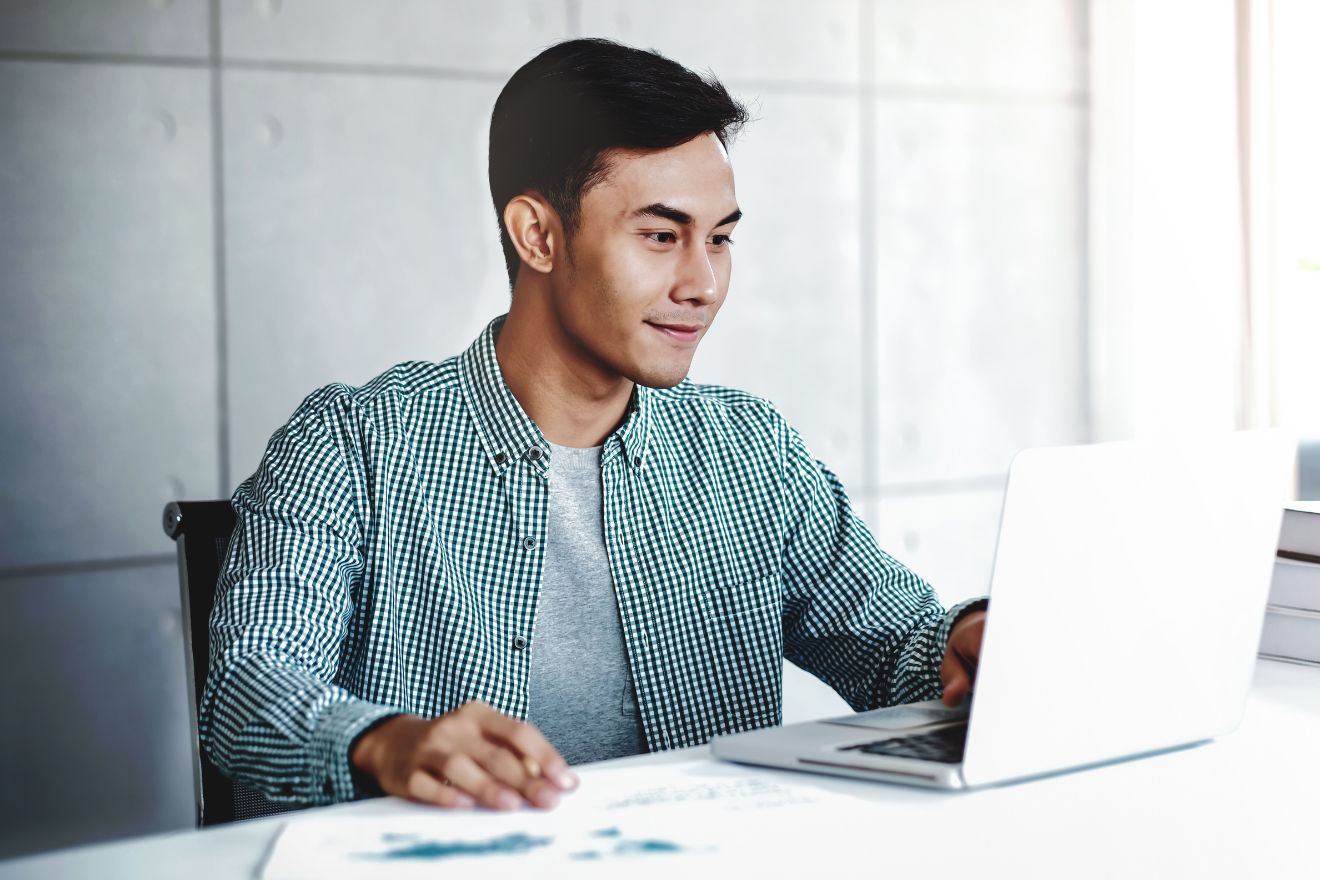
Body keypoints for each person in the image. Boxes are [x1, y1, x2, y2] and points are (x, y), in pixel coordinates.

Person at [201, 37, 987, 816]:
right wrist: (387, 743)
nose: (704, 283)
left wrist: (969, 641)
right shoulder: (353, 442)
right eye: (661, 235)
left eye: (719, 237)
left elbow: (901, 649)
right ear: (538, 235)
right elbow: (248, 684)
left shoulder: (751, 452)